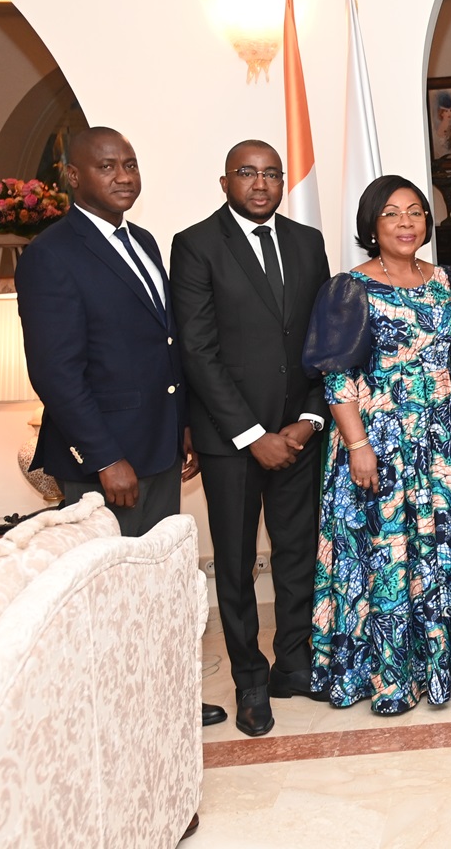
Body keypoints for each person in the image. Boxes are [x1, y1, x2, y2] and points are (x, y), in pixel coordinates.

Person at [15, 127, 218, 737]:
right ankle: (118, 722)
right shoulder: (52, 254)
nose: (124, 176)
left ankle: (165, 703)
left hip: (158, 443)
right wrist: (105, 456)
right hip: (107, 461)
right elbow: (56, 371)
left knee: (155, 583)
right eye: (107, 166)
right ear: (72, 176)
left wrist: (182, 425)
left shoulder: (144, 240)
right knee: (111, 593)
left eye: (130, 163)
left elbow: (162, 344)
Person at [305, 175, 451, 712]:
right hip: (380, 440)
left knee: (447, 550)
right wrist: (357, 446)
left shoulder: (447, 280)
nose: (405, 223)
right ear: (372, 224)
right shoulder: (349, 288)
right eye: (391, 213)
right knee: (386, 557)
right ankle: (386, 676)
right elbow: (337, 378)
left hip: (442, 440)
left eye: (415, 212)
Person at [170, 140, 331, 736]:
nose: (260, 184)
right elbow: (198, 350)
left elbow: (322, 342)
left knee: (298, 555)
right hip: (230, 438)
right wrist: (251, 434)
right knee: (236, 565)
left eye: (271, 173)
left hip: (299, 435)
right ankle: (250, 680)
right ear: (224, 181)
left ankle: (294, 662)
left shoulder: (306, 242)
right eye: (247, 173)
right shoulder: (195, 246)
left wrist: (310, 420)